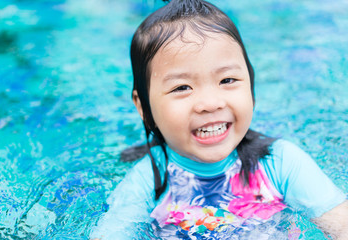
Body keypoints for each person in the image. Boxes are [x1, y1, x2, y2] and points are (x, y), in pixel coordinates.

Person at [90, 0, 348, 239]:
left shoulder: (281, 163)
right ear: (143, 107)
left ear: (251, 87)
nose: (210, 103)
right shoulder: (148, 181)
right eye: (182, 87)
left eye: (227, 80)